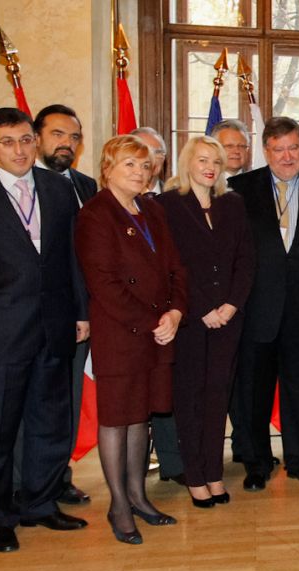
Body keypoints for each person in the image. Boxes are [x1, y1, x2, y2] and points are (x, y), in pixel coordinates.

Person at [0, 107, 90, 553]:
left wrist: (81, 313)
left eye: (26, 140)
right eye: (8, 142)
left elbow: (71, 261)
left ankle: (40, 504)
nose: (20, 150)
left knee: (49, 422)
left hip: (54, 326)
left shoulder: (58, 190)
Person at [75, 135, 188, 544]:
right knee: (117, 418)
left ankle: (139, 496)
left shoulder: (152, 209)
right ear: (108, 169)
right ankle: (119, 505)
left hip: (158, 330)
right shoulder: (95, 214)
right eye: (129, 165)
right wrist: (153, 321)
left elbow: (176, 266)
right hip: (122, 332)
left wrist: (175, 312)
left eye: (145, 166)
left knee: (141, 415)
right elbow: (103, 283)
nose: (140, 173)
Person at [227, 117, 299, 492]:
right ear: (265, 151)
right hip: (256, 310)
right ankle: (257, 463)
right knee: (253, 394)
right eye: (279, 149)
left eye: (294, 147)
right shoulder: (238, 190)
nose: (287, 156)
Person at [156, 135, 254, 508]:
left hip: (229, 320)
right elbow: (169, 266)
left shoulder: (232, 203)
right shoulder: (167, 205)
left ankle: (214, 472)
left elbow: (246, 259)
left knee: (218, 398)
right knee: (190, 399)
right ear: (187, 163)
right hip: (190, 320)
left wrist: (230, 305)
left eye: (216, 160)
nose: (210, 166)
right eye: (202, 159)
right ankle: (194, 475)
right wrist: (201, 308)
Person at [30, 104, 95, 505]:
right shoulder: (22, 185)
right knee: (34, 404)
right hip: (28, 317)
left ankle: (58, 476)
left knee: (68, 401)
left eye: (73, 137)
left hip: (78, 315)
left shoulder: (87, 187)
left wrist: (85, 311)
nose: (66, 144)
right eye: (57, 134)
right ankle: (27, 483)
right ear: (36, 138)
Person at [130, 125, 184, 480]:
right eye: (141, 155)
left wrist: (175, 310)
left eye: (157, 155)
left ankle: (172, 463)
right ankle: (129, 478)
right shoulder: (113, 202)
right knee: (132, 404)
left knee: (168, 392)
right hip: (130, 317)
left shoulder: (174, 198)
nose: (150, 162)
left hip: (171, 314)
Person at [132, 127, 171, 195]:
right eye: (144, 152)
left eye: (157, 152)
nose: (151, 158)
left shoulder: (175, 196)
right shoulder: (118, 198)